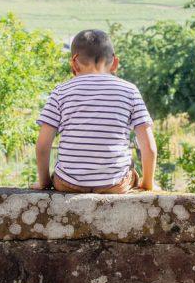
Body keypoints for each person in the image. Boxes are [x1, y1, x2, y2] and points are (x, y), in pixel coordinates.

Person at [31, 29, 157, 193]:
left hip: (68, 184)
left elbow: (42, 145)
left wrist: (44, 182)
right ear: (115, 63)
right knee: (132, 172)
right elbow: (149, 147)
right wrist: (148, 184)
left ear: (74, 62)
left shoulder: (60, 91)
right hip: (114, 184)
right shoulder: (129, 90)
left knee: (60, 173)